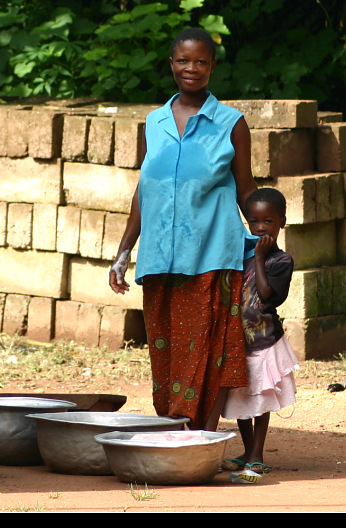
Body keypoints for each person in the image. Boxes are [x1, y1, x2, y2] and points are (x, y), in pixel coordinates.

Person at [109, 27, 259, 431]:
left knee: (208, 349)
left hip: (212, 254)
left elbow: (246, 188)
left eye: (201, 62)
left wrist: (266, 241)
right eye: (183, 61)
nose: (191, 68)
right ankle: (175, 431)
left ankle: (200, 436)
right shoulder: (154, 122)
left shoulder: (231, 123)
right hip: (159, 258)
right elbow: (147, 188)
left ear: (212, 67)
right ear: (171, 65)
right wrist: (124, 252)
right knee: (167, 351)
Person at [221, 187, 298, 478]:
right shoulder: (240, 257)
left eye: (268, 221)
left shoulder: (281, 261)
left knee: (261, 398)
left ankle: (257, 455)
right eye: (254, 221)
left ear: (282, 222)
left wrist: (258, 257)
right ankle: (247, 449)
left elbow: (266, 294)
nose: (260, 227)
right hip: (238, 341)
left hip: (265, 340)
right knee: (240, 396)